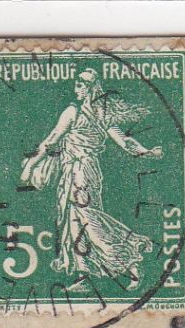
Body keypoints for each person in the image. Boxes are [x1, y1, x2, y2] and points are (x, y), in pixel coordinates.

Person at [20, 67, 162, 291]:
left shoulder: (73, 111)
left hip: (80, 172)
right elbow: (126, 142)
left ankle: (131, 254)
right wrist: (146, 152)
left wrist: (31, 163)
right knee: (77, 222)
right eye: (77, 84)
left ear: (90, 89)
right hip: (85, 171)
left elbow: (51, 140)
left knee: (85, 219)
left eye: (80, 85)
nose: (76, 88)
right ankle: (83, 274)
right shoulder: (102, 115)